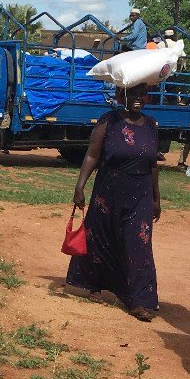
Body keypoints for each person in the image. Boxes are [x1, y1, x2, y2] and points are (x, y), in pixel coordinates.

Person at [67, 82, 161, 322]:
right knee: (102, 237)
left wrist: (156, 198)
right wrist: (80, 186)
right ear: (122, 96)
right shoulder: (109, 121)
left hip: (140, 193)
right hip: (108, 191)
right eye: (133, 94)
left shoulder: (151, 125)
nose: (139, 98)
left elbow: (152, 165)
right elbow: (92, 154)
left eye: (143, 94)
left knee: (139, 244)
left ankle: (140, 300)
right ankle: (95, 283)